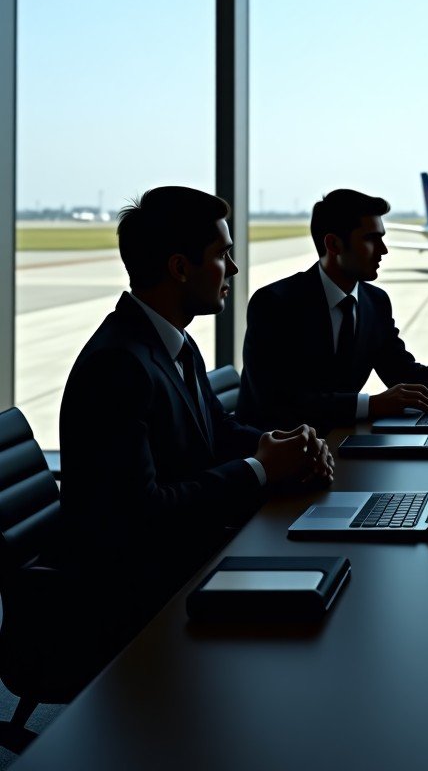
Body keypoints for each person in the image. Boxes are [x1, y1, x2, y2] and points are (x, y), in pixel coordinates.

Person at [60, 186, 333, 648]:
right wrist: (261, 469)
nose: (234, 269)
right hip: (137, 601)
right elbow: (142, 514)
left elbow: (217, 430)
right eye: (223, 254)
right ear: (180, 268)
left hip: (183, 564)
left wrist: (288, 446)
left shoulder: (172, 344)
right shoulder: (119, 366)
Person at [237, 188, 428, 429]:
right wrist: (371, 405)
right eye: (372, 239)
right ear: (333, 244)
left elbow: (404, 379)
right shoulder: (275, 304)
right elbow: (278, 403)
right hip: (275, 460)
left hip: (339, 443)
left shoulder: (375, 302)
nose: (384, 250)